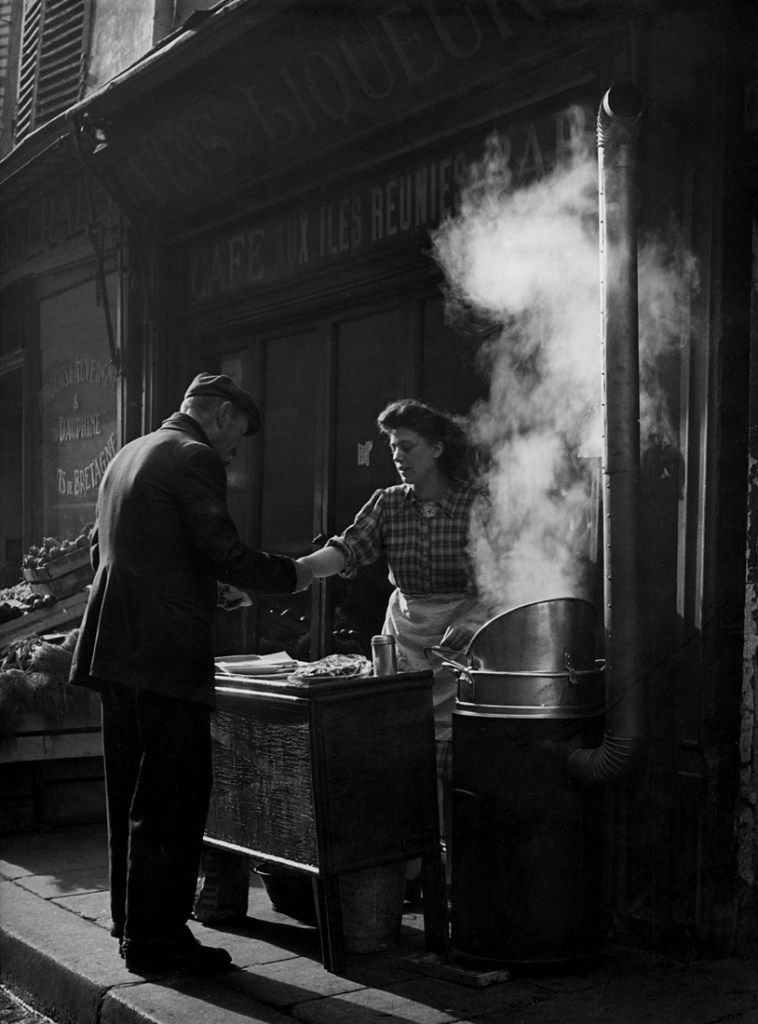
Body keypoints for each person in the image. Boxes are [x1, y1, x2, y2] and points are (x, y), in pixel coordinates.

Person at [69, 372, 313, 975]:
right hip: (163, 656)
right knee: (172, 799)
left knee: (130, 793)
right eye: (239, 437)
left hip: (115, 649)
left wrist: (199, 587)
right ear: (222, 415)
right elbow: (223, 551)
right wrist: (299, 573)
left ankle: (131, 921)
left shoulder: (130, 453)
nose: (234, 453)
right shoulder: (193, 455)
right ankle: (159, 942)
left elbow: (112, 553)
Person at [296, 398, 489, 849]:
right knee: (405, 743)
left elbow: (508, 572)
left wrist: (477, 617)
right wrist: (299, 570)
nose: (398, 456)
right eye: (393, 447)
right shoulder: (388, 503)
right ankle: (413, 858)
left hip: (463, 639)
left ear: (437, 449)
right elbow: (347, 549)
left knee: (455, 751)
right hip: (405, 632)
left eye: (408, 446)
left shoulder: (474, 503)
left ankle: (452, 862)